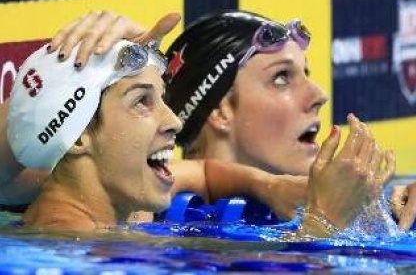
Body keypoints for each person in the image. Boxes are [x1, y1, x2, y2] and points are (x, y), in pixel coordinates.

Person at [3, 35, 392, 236]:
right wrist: (323, 225)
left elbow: (202, 173)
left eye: (163, 100)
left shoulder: (117, 200)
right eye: (142, 102)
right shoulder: (70, 244)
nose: (173, 120)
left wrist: (273, 187)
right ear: (76, 136)